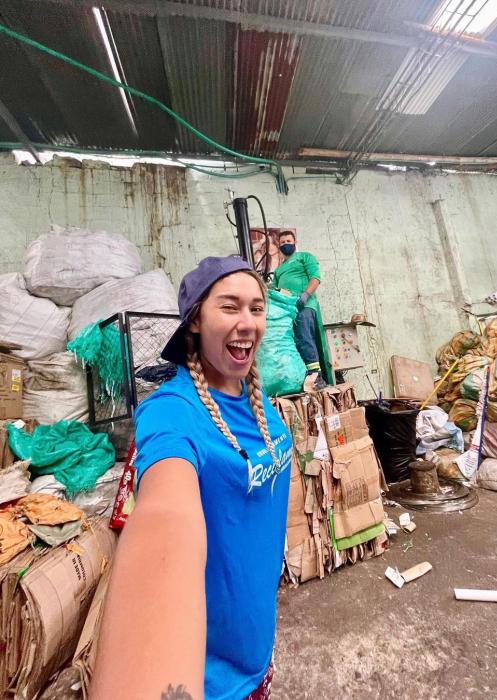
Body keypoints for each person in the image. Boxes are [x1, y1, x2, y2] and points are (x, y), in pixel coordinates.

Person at [90, 256, 292, 700]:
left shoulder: (254, 395)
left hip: (257, 648)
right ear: (196, 320)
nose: (248, 322)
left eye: (257, 308)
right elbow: (165, 517)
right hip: (214, 681)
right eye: (230, 307)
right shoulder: (172, 412)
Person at [272, 230, 326, 390]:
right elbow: (275, 290)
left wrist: (306, 294)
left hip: (304, 305)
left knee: (304, 337)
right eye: (282, 242)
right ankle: (302, 377)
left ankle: (316, 376)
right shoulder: (278, 270)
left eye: (288, 241)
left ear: (294, 242)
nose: (285, 244)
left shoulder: (305, 257)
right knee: (292, 342)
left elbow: (315, 278)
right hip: (287, 310)